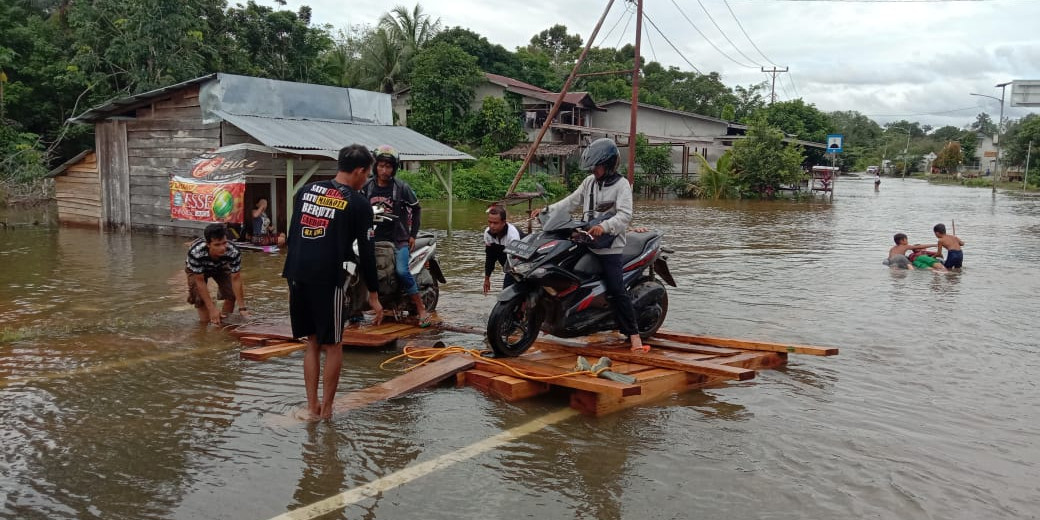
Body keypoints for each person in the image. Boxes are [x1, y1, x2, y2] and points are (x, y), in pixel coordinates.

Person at [282, 144, 383, 420]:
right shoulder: (359, 203)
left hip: (296, 273)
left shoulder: (306, 191)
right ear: (360, 171)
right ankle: (326, 411)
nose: (367, 180)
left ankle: (311, 406)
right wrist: (373, 295)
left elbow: (293, 236)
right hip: (327, 277)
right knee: (334, 343)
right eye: (368, 174)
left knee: (312, 342)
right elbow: (368, 251)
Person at [530, 138, 648, 353]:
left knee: (617, 289)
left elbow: (625, 215)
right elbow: (570, 202)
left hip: (609, 247)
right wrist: (546, 210)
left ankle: (634, 335)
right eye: (593, 167)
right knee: (561, 269)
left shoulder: (622, 186)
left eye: (598, 166)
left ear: (610, 165)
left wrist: (605, 226)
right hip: (585, 239)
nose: (595, 170)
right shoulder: (589, 182)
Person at [362, 144, 430, 326]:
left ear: (394, 168)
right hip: (371, 237)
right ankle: (356, 310)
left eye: (388, 166)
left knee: (401, 271)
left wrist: (412, 234)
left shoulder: (401, 188)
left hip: (398, 239)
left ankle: (421, 309)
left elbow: (417, 209)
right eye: (381, 166)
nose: (384, 170)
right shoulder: (367, 187)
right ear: (375, 166)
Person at [185, 223, 250, 325]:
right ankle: (204, 326)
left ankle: (224, 324)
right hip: (198, 269)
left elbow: (236, 279)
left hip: (221, 266)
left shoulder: (233, 251)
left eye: (224, 243)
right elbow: (200, 281)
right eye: (217, 245)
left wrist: (242, 308)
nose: (222, 248)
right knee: (199, 298)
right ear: (208, 244)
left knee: (231, 294)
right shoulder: (196, 253)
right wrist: (212, 309)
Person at [483, 205, 522, 295]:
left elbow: (516, 261)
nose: (492, 226)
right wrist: (487, 278)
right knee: (506, 293)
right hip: (509, 267)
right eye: (490, 222)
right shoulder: (488, 233)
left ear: (504, 222)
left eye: (495, 223)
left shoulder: (512, 235)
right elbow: (490, 257)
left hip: (519, 262)